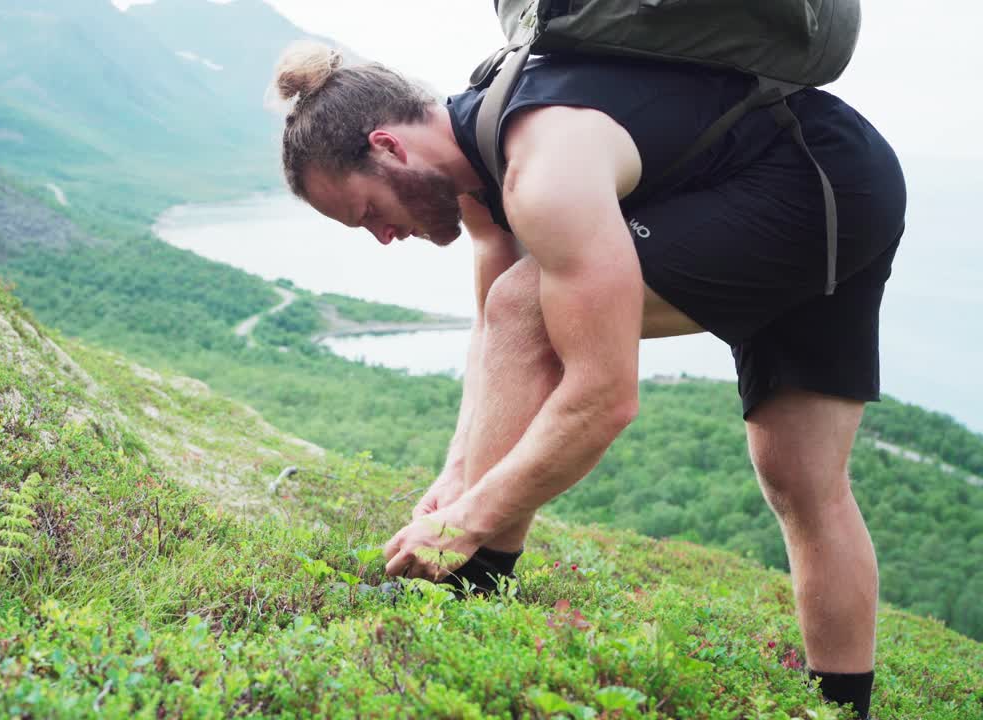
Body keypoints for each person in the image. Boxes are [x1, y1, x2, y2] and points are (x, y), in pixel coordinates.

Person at [268, 38, 904, 720]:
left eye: (368, 212)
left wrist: (466, 522)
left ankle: (466, 590)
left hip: (807, 185)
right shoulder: (479, 177)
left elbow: (602, 396)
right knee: (801, 477)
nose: (382, 237)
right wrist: (457, 473)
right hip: (848, 174)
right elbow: (492, 337)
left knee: (527, 303)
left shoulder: (544, 170)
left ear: (388, 146)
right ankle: (845, 712)